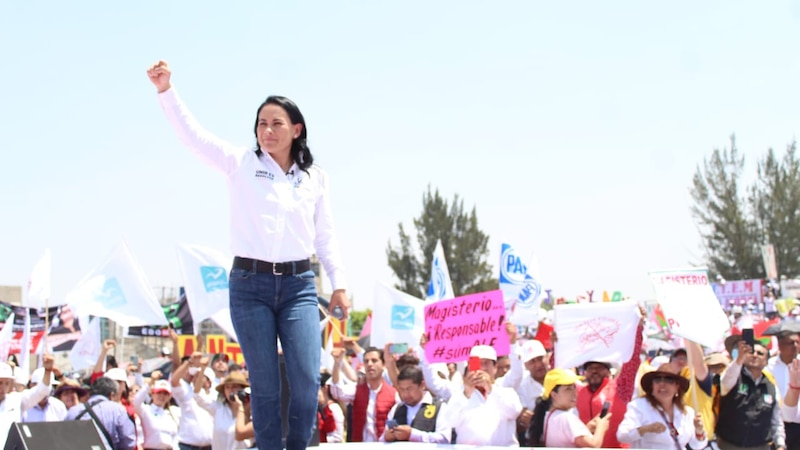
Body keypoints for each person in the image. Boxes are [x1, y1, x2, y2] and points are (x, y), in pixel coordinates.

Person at [147, 59, 349, 450]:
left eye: (276, 123)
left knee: (307, 381)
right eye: (261, 123)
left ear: (296, 129)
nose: (267, 130)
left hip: (299, 286)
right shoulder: (240, 162)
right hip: (249, 285)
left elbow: (326, 236)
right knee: (266, 386)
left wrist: (339, 284)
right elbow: (193, 137)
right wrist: (166, 91)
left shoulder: (315, 178)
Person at [441, 345, 523, 446]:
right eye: (478, 363)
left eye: (486, 363)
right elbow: (449, 421)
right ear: (470, 367)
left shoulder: (507, 391)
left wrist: (490, 389)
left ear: (495, 368)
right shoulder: (459, 394)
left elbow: (514, 412)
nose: (482, 368)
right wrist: (466, 395)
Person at [716, 339, 786, 450]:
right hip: (728, 445)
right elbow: (725, 381)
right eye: (751, 352)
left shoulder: (771, 387)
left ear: (766, 362)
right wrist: (739, 359)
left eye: (760, 353)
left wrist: (780, 444)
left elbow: (776, 420)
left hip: (759, 446)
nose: (755, 355)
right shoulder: (734, 376)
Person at [617, 366, 707, 449]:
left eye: (669, 380)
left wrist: (699, 431)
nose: (662, 384)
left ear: (677, 387)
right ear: (652, 386)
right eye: (657, 380)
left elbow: (697, 446)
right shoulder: (639, 406)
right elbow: (622, 436)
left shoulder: (687, 412)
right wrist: (646, 429)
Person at [529, 368, 611, 448]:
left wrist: (586, 429)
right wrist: (601, 427)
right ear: (554, 395)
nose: (574, 393)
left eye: (574, 387)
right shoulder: (567, 417)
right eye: (568, 389)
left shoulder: (549, 416)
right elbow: (594, 446)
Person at [330, 346, 397, 442]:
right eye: (366, 361)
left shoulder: (394, 394)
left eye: (374, 361)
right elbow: (337, 392)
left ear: (383, 365)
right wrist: (336, 364)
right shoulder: (357, 390)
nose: (370, 364)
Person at [380, 366, 451, 444]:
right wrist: (387, 437)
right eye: (402, 389)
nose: (405, 394)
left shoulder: (440, 407)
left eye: (409, 389)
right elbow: (382, 440)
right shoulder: (397, 408)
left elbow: (444, 439)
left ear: (422, 385)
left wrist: (413, 435)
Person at [67, 376, 137, 450]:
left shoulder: (73, 411)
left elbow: (65, 437)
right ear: (112, 394)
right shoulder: (118, 410)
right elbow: (129, 441)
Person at [0, 356, 57, 444]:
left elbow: (42, 391)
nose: (3, 387)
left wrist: (48, 371)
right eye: (0, 383)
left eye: (6, 383)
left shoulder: (15, 400)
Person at [193, 367, 253, 450]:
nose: (230, 390)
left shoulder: (252, 411)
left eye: (234, 386)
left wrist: (242, 408)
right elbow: (197, 395)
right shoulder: (218, 408)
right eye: (227, 387)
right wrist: (203, 368)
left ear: (242, 390)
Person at [133, 372, 180, 450]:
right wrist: (151, 381)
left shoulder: (171, 414)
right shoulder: (145, 410)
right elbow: (137, 401)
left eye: (165, 394)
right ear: (152, 394)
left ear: (169, 397)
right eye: (158, 392)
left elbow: (174, 439)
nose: (161, 396)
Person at [769, 331, 800, 447]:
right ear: (780, 345)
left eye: (797, 342)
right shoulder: (769, 366)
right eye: (791, 343)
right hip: (777, 425)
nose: (795, 346)